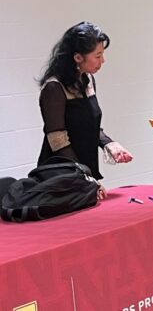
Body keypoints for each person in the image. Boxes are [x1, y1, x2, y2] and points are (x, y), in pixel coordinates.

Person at [38, 22, 133, 200]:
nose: (102, 61)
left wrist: (109, 144)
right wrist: (85, 177)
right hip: (60, 177)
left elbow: (89, 125)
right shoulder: (54, 88)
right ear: (78, 57)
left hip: (83, 173)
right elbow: (58, 141)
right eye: (98, 55)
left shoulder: (87, 80)